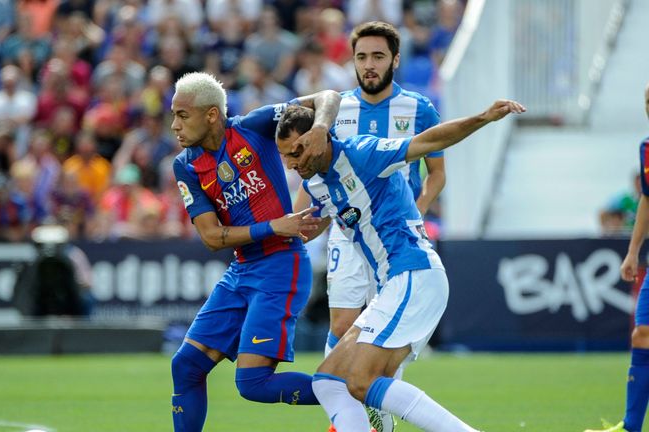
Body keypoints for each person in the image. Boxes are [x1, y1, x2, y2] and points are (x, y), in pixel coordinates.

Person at [275, 99, 525, 431]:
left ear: (320, 136)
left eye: (297, 151)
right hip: (393, 284)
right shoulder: (316, 183)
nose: (292, 163)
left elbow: (429, 141)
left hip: (414, 273)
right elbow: (305, 226)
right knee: (327, 381)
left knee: (362, 381)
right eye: (286, 156)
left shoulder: (364, 153)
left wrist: (483, 116)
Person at [295, 21, 446, 431]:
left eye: (378, 56)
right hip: (347, 233)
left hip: (395, 234)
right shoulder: (335, 110)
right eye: (361, 57)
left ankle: (378, 417)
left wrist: (417, 208)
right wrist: (303, 220)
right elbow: (316, 173)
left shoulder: (418, 108)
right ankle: (355, 415)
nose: (369, 65)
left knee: (384, 335)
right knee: (344, 327)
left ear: (395, 59)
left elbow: (436, 174)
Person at [169, 71, 339, 432]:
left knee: (253, 383)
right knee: (185, 367)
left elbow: (328, 96)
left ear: (212, 114)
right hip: (241, 269)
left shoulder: (255, 125)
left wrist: (320, 129)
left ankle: (360, 394)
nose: (174, 126)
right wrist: (274, 225)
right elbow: (212, 237)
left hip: (281, 264)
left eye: (182, 115)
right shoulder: (185, 165)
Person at [584, 83, 649, 432]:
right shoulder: (648, 148)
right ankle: (631, 426)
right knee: (641, 335)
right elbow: (647, 201)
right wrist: (633, 251)